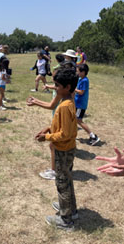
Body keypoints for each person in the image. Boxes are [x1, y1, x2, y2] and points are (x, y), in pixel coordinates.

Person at [35, 68, 79, 231]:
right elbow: (63, 127)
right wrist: (48, 128)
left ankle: (66, 220)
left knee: (62, 183)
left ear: (67, 87)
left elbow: (64, 134)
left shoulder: (64, 106)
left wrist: (46, 138)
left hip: (63, 150)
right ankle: (71, 210)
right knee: (67, 180)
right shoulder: (68, 102)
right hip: (69, 148)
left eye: (57, 85)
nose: (55, 88)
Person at [27, 54, 65, 180]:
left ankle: (56, 172)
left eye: (56, 84)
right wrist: (35, 101)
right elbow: (51, 105)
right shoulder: (61, 92)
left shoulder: (66, 102)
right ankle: (57, 170)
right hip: (57, 122)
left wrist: (48, 135)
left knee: (54, 146)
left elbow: (65, 131)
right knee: (53, 146)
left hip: (61, 127)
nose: (54, 86)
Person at [74, 64, 100, 146]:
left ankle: (93, 136)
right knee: (74, 119)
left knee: (79, 121)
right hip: (77, 103)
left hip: (80, 104)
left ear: (83, 72)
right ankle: (71, 135)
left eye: (78, 71)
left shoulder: (85, 80)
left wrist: (73, 89)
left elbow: (81, 92)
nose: (77, 72)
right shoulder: (80, 78)